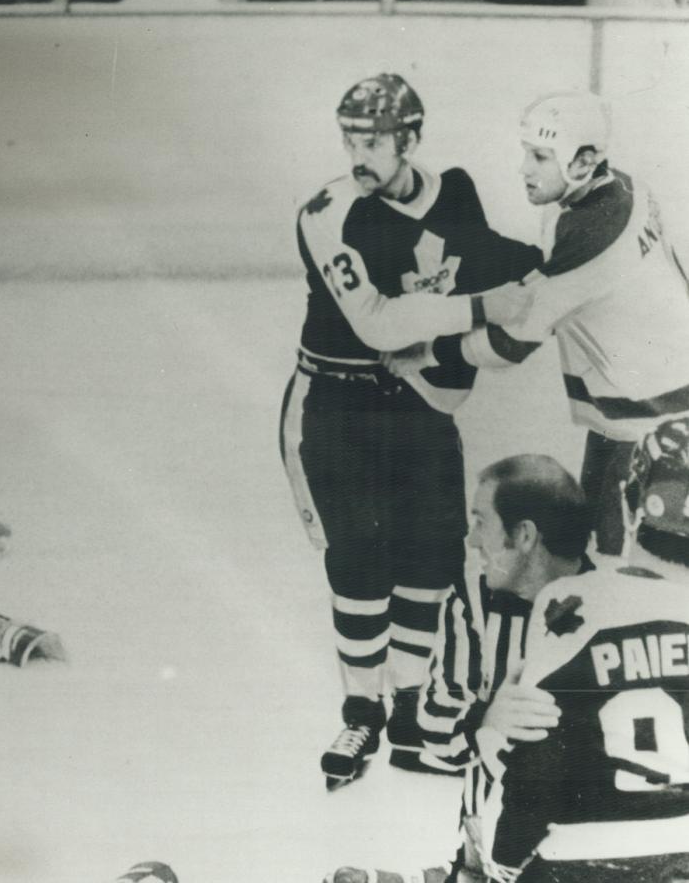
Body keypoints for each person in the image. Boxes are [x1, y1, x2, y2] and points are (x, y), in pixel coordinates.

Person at [279, 72, 543, 791]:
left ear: (411, 139)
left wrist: (549, 273)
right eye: (349, 138)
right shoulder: (330, 214)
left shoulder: (452, 191)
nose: (358, 153)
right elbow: (378, 324)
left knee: (427, 564)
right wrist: (487, 304)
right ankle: (360, 709)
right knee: (360, 565)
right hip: (337, 404)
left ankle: (406, 713)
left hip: (414, 403)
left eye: (374, 140)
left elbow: (485, 255)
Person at [397, 92, 689, 558]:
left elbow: (512, 343)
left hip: (650, 422)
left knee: (620, 569)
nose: (524, 169)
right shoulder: (624, 188)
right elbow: (548, 278)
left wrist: (428, 352)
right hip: (648, 408)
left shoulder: (590, 235)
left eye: (539, 156)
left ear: (585, 159)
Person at [473, 422, 689, 883]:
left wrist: (502, 862)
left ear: (631, 505)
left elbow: (537, 763)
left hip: (582, 854)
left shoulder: (572, 600)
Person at [416, 456, 595, 883]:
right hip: (489, 853)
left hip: (581, 854)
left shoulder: (606, 604)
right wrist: (486, 719)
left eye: (480, 522)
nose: (472, 539)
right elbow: (433, 721)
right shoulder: (472, 604)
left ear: (525, 535)